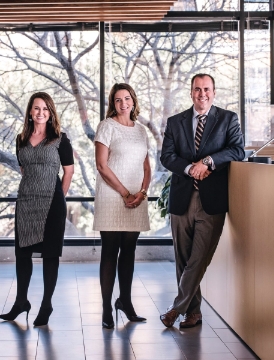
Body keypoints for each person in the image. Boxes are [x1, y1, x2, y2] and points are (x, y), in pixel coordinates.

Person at [159, 74, 244, 328]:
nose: (202, 94)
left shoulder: (228, 119)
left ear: (214, 92)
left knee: (198, 258)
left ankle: (176, 309)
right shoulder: (176, 122)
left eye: (206, 89)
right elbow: (167, 156)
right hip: (182, 199)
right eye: (197, 89)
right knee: (183, 260)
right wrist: (190, 168)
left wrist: (208, 162)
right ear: (191, 92)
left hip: (212, 201)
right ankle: (193, 313)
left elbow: (237, 150)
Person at [0, 92, 74, 326]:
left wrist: (57, 196)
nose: (41, 113)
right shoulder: (21, 139)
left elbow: (68, 171)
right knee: (23, 253)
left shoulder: (61, 139)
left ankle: (46, 304)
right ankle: (21, 302)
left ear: (50, 113)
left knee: (50, 255)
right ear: (30, 112)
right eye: (36, 108)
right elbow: (24, 170)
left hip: (52, 202)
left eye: (45, 109)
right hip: (26, 201)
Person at [93, 83, 151, 329]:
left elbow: (147, 166)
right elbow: (102, 165)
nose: (123, 103)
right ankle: (106, 307)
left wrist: (142, 192)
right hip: (112, 195)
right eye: (118, 100)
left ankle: (125, 302)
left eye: (127, 98)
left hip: (136, 197)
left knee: (129, 251)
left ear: (133, 101)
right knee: (110, 251)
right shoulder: (106, 126)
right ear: (112, 103)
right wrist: (125, 193)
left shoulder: (141, 130)